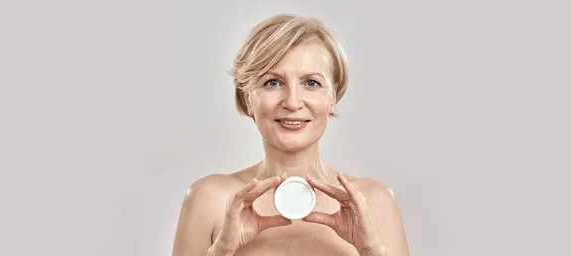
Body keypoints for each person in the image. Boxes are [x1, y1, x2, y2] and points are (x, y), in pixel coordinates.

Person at [172, 14, 409, 256]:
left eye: (312, 83)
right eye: (272, 82)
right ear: (248, 99)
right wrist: (221, 251)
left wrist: (370, 250)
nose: (293, 102)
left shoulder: (373, 202)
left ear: (333, 97)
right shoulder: (209, 200)